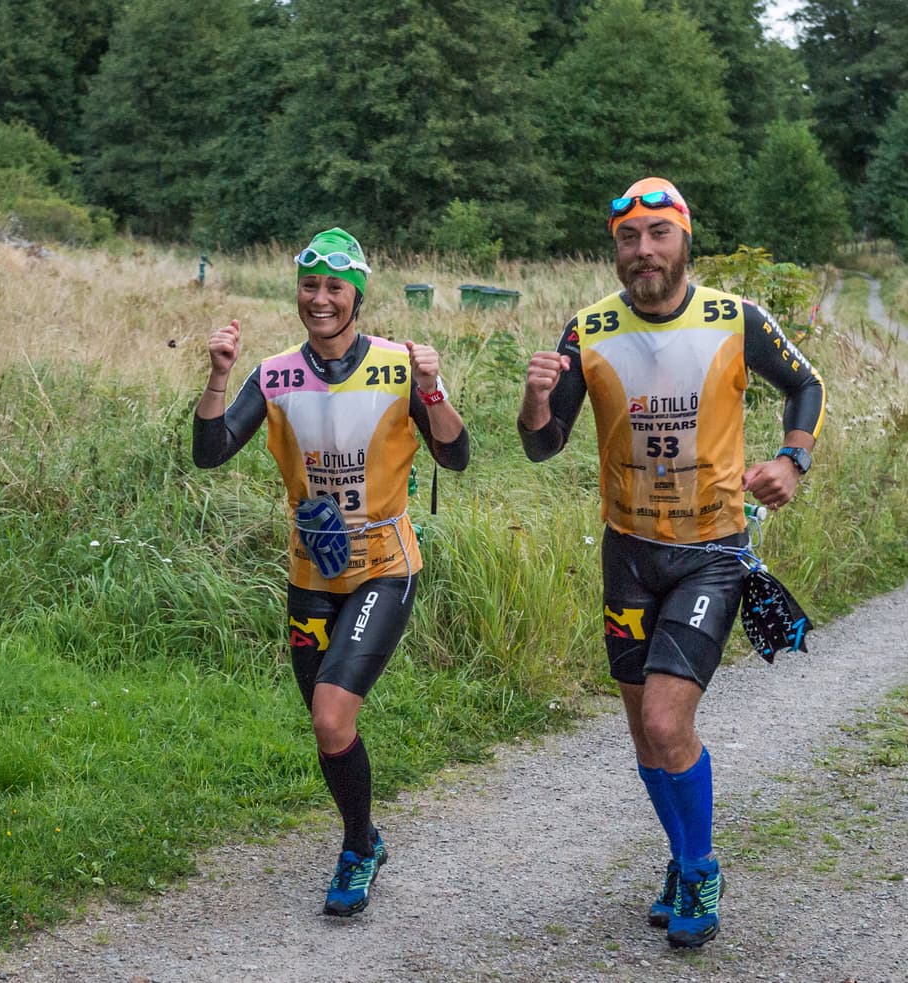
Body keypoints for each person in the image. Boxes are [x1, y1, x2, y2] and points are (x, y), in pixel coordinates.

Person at [517, 178, 826, 948]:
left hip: (710, 554)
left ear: (685, 238)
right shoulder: (585, 329)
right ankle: (681, 854)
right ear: (616, 249)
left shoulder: (735, 317)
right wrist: (532, 400)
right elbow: (542, 442)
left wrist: (792, 459)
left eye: (659, 234)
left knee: (665, 719)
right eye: (629, 239)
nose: (644, 251)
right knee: (642, 734)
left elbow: (806, 383)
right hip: (628, 555)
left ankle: (699, 866)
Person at [193, 228, 470, 916]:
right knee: (329, 729)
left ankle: (353, 852)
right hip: (310, 572)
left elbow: (457, 456)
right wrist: (220, 374)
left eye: (334, 289)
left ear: (357, 298)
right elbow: (212, 450)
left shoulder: (399, 364)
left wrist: (432, 391)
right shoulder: (275, 371)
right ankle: (365, 836)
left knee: (330, 713)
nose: (319, 300)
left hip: (385, 564)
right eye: (309, 286)